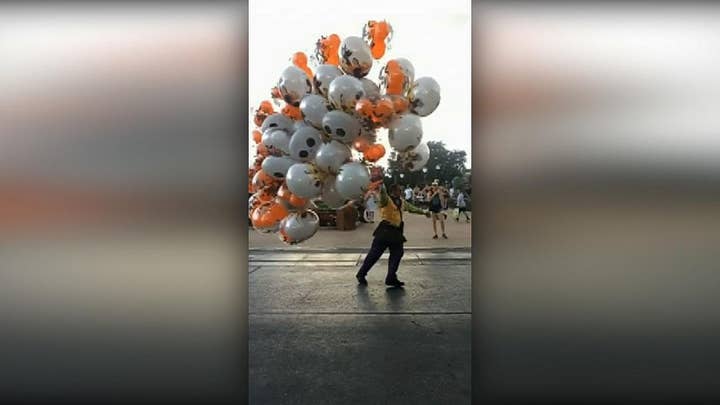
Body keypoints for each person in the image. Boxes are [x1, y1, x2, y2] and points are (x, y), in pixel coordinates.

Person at [356, 183, 431, 287]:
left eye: (400, 190)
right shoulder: (386, 200)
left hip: (395, 232)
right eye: (398, 190)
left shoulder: (401, 201)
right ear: (393, 191)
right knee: (374, 255)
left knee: (397, 253)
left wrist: (423, 212)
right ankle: (362, 274)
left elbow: (412, 208)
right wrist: (381, 185)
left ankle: (391, 277)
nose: (400, 192)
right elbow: (383, 194)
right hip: (386, 230)